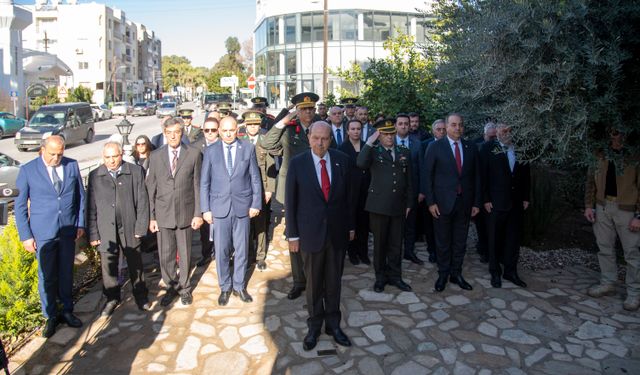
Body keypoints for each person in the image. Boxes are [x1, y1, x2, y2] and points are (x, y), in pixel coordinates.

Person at [285, 121, 354, 351]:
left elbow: (348, 200)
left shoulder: (342, 160)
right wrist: (292, 235)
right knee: (313, 284)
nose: (320, 143)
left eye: (324, 139)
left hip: (336, 233)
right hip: (310, 234)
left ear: (330, 140)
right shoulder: (297, 163)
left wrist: (351, 227)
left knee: (334, 282)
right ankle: (314, 325)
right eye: (316, 138)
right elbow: (291, 201)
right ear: (309, 137)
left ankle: (333, 325)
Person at [15, 135, 85, 338]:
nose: (56, 158)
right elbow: (19, 207)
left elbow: (80, 196)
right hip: (43, 232)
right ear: (42, 150)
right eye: (52, 154)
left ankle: (67, 310)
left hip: (67, 230)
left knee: (65, 272)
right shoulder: (28, 170)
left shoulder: (71, 166)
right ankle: (51, 316)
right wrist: (26, 236)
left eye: (60, 154)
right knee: (46, 276)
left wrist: (79, 223)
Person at [260, 91, 320, 300]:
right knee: (294, 233)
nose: (308, 112)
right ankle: (298, 281)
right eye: (304, 109)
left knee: (316, 231)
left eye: (311, 108)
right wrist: (284, 119)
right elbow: (267, 144)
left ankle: (314, 276)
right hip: (294, 188)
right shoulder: (288, 129)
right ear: (297, 110)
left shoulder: (320, 126)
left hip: (317, 188)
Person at [201, 116, 262, 306]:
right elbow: (204, 182)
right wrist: (205, 209)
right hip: (219, 208)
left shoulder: (248, 148)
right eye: (224, 130)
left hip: (242, 207)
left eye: (231, 130)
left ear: (238, 130)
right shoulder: (210, 151)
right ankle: (225, 287)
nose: (228, 134)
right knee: (221, 250)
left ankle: (239, 285)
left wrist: (256, 203)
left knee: (242, 248)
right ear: (219, 131)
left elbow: (255, 178)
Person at [87, 142, 150, 316]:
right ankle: (112, 298)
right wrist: (93, 233)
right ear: (103, 157)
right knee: (109, 267)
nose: (112, 160)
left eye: (115, 156)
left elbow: (143, 201)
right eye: (107, 157)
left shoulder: (135, 171)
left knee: (135, 263)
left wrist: (141, 226)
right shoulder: (95, 176)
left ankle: (141, 296)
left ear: (121, 154)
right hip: (106, 227)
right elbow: (90, 206)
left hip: (130, 226)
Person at [146, 116, 203, 306]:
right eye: (169, 133)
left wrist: (198, 213)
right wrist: (152, 217)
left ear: (182, 133)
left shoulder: (193, 154)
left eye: (177, 132)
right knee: (166, 254)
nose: (173, 136)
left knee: (185, 253)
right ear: (164, 134)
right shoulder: (155, 156)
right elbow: (150, 188)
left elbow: (197, 186)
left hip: (185, 212)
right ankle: (171, 287)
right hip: (163, 214)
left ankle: (185, 288)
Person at [424, 113, 481, 293]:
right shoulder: (435, 147)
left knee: (460, 242)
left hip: (464, 204)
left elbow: (477, 177)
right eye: (454, 125)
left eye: (460, 125)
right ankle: (443, 274)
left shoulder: (471, 147)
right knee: (442, 241)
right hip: (441, 204)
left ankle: (456, 273)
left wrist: (476, 203)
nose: (458, 128)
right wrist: (430, 202)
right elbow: (427, 177)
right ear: (447, 126)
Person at [585, 127, 640, 311]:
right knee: (604, 247)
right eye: (611, 132)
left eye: (617, 132)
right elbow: (590, 180)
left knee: (631, 252)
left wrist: (638, 216)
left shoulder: (634, 155)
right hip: (602, 206)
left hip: (627, 210)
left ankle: (634, 293)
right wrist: (588, 205)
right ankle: (608, 282)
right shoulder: (600, 152)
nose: (613, 135)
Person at [357, 119, 415, 293]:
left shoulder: (404, 151)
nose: (389, 137)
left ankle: (396, 276)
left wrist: (410, 202)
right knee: (380, 244)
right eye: (385, 133)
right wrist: (369, 141)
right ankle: (380, 277)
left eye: (391, 133)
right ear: (379, 135)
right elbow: (360, 163)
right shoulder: (374, 152)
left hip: (398, 205)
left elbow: (410, 179)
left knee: (396, 244)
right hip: (378, 206)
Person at [480, 123, 530, 288]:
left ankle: (511, 271)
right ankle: (495, 272)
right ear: (497, 130)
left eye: (509, 129)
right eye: (503, 129)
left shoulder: (522, 148)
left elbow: (526, 174)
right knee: (494, 238)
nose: (506, 132)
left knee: (513, 239)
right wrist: (485, 199)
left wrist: (526, 197)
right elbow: (483, 175)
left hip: (516, 203)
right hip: (495, 203)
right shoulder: (488, 148)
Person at [242, 110, 277, 271]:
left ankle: (260, 256)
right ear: (245, 126)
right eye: (250, 125)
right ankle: (248, 255)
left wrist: (269, 189)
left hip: (262, 189)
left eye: (256, 125)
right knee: (245, 225)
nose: (253, 128)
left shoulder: (264, 141)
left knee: (261, 224)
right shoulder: (240, 141)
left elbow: (271, 166)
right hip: (244, 191)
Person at [339, 119, 371, 265]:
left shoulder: (367, 146)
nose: (356, 131)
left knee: (364, 223)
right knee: (351, 222)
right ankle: (352, 252)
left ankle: (363, 252)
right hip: (350, 191)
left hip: (365, 190)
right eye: (353, 129)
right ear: (348, 131)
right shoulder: (342, 148)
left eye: (358, 129)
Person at [396, 113, 425, 265]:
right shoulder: (388, 141)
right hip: (393, 191)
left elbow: (421, 168)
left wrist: (421, 190)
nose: (404, 126)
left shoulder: (417, 143)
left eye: (406, 124)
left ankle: (409, 251)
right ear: (395, 125)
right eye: (400, 123)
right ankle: (393, 253)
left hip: (411, 191)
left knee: (411, 224)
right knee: (394, 225)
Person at [191, 117, 220, 267]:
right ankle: (207, 254)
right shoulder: (195, 147)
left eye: (213, 130)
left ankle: (222, 253)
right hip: (204, 191)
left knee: (222, 226)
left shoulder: (223, 144)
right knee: (205, 228)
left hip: (221, 192)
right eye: (206, 130)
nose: (210, 133)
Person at [419, 119, 447, 263]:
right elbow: (422, 170)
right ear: (433, 131)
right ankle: (432, 250)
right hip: (429, 191)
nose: (441, 132)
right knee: (430, 224)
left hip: (446, 192)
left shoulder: (452, 145)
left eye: (443, 129)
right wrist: (423, 191)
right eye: (438, 129)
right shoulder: (425, 145)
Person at [474, 121, 498, 264]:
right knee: (481, 224)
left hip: (495, 192)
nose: (493, 140)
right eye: (491, 137)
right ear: (484, 135)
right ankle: (483, 249)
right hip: (480, 191)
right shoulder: (476, 146)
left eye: (496, 137)